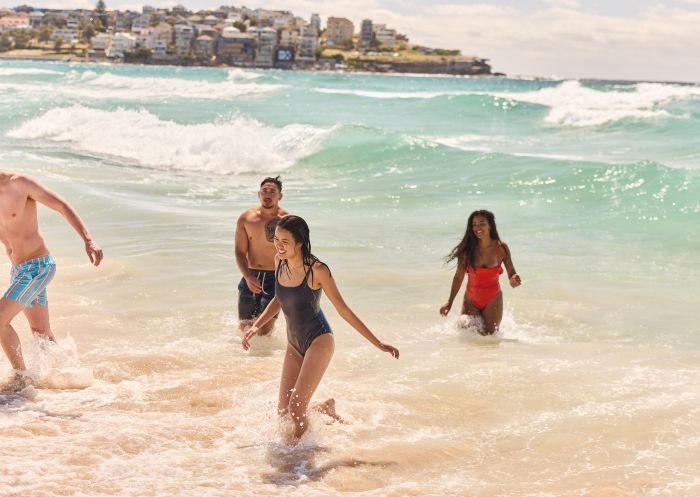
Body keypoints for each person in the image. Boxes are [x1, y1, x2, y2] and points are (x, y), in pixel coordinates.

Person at [242, 215, 399, 441]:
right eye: (276, 239)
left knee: (296, 409)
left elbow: (343, 310)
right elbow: (280, 297)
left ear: (300, 243)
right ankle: (324, 408)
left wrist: (379, 343)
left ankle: (300, 462)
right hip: (294, 344)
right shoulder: (279, 261)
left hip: (319, 341)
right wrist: (256, 325)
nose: (278, 245)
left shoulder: (317, 270)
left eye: (285, 241)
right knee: (283, 413)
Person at [0, 171, 103, 388]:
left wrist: (89, 240)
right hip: (19, 271)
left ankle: (21, 379)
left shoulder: (20, 184)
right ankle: (70, 378)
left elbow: (61, 206)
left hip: (38, 267)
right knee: (41, 333)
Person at [440, 209, 521, 335]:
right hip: (471, 300)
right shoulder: (467, 250)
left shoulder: (501, 248)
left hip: (493, 300)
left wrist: (514, 280)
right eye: (474, 224)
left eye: (482, 223)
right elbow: (458, 278)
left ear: (490, 226)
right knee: (466, 333)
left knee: (490, 338)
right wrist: (449, 302)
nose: (478, 227)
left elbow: (512, 275)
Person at [234, 176, 288, 336]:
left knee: (264, 331)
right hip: (250, 276)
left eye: (273, 191)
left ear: (280, 196)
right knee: (245, 327)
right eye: (264, 191)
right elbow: (239, 252)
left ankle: (266, 358)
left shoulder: (286, 221)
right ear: (259, 194)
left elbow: (294, 253)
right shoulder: (246, 219)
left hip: (275, 279)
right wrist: (248, 276)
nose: (268, 194)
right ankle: (243, 360)